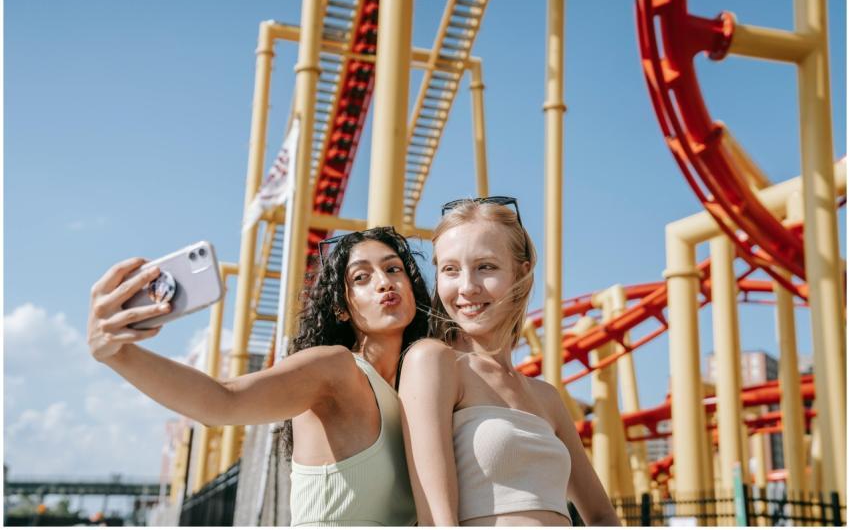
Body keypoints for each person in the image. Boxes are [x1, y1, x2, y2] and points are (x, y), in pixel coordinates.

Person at [87, 226, 430, 526]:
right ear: (341, 308)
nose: (384, 282)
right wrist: (119, 354)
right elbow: (224, 402)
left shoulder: (419, 389)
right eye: (361, 277)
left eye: (393, 269)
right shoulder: (336, 368)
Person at [398, 197, 620, 526]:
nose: (467, 287)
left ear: (522, 271)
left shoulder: (547, 397)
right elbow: (436, 519)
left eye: (485, 267)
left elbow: (602, 516)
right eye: (450, 270)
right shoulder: (433, 362)